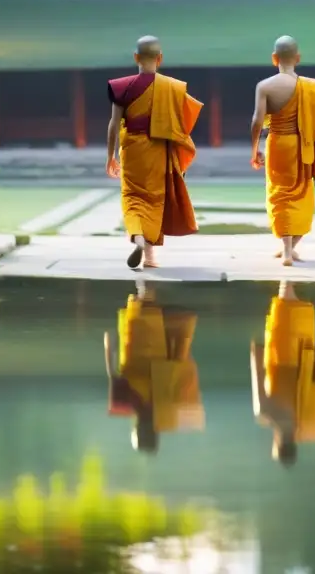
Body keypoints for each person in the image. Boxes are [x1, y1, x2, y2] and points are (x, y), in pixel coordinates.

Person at [106, 36, 203, 269]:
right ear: (160, 58)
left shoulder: (123, 87)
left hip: (132, 149)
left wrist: (110, 156)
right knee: (154, 199)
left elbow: (113, 123)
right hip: (159, 149)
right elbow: (185, 119)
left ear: (136, 57)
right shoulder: (173, 88)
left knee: (133, 198)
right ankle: (150, 257)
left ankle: (138, 237)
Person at [250, 35, 315, 265]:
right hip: (302, 148)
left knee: (279, 195)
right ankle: (290, 249)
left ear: (274, 58)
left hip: (277, 144)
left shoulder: (265, 86)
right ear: (297, 58)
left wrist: (254, 149)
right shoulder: (312, 88)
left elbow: (257, 122)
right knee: (301, 196)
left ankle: (287, 249)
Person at [103, 281, 205, 454]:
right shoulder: (127, 403)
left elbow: (184, 374)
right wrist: (109, 349)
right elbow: (111, 372)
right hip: (144, 344)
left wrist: (182, 339)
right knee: (145, 299)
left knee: (146, 299)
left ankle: (150, 279)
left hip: (159, 342)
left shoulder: (166, 408)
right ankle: (148, 276)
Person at [250, 281, 315, 466]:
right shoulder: (265, 413)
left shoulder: (308, 421)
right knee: (285, 290)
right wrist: (256, 349)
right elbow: (257, 370)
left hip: (305, 352)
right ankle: (288, 256)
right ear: (276, 443)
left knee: (294, 296)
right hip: (280, 353)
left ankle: (291, 261)